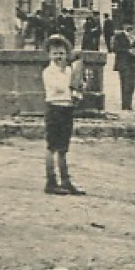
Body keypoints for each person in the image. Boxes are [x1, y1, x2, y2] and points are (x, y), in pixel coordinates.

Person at [39, 36, 85, 195]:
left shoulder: (69, 70)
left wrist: (79, 86)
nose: (59, 57)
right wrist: (72, 82)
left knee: (63, 148)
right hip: (54, 109)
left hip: (67, 109)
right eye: (55, 54)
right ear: (49, 55)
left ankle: (66, 181)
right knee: (52, 146)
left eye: (62, 53)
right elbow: (58, 88)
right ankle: (50, 181)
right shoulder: (49, 72)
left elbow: (74, 87)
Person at [110, 26, 135, 112]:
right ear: (128, 31)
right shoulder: (119, 36)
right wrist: (128, 50)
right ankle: (125, 104)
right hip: (123, 64)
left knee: (131, 85)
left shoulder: (133, 38)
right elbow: (115, 49)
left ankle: (129, 104)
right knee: (125, 84)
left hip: (132, 64)